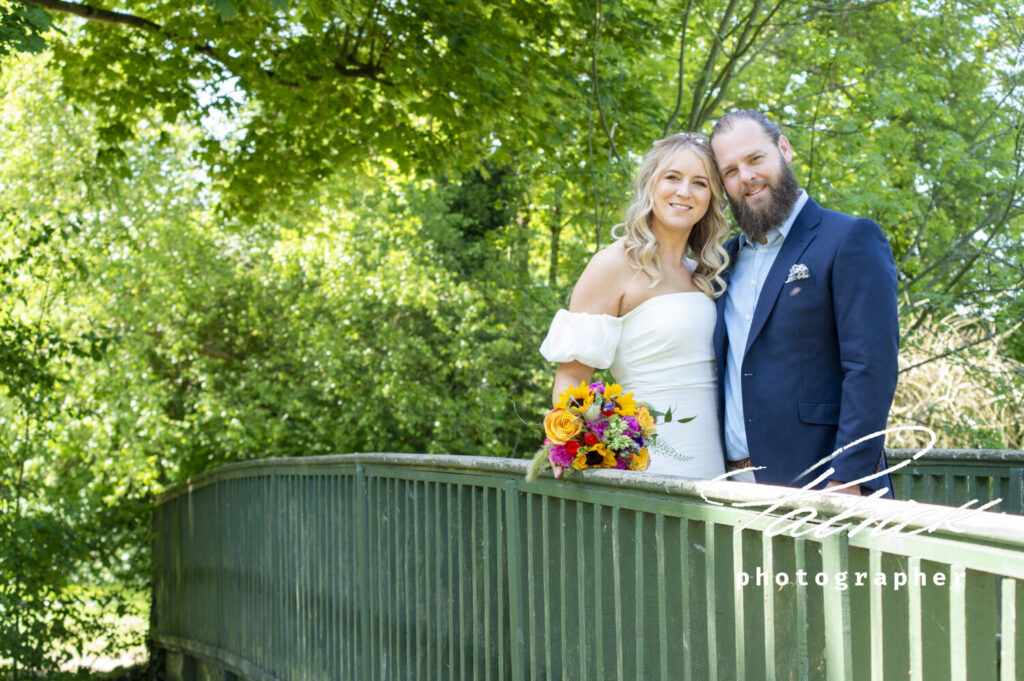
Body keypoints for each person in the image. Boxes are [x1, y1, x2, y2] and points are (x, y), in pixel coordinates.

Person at [709, 110, 899, 495]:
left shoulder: (849, 238)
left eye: (755, 159)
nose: (746, 177)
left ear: (784, 149)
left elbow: (870, 368)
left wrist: (849, 477)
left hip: (827, 486)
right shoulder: (721, 263)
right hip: (730, 487)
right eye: (730, 171)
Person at [539, 132, 730, 478]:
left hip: (715, 457)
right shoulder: (613, 264)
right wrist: (571, 447)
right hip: (649, 458)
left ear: (711, 198)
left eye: (700, 183)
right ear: (650, 185)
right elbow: (572, 375)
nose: (684, 191)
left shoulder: (703, 274)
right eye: (673, 177)